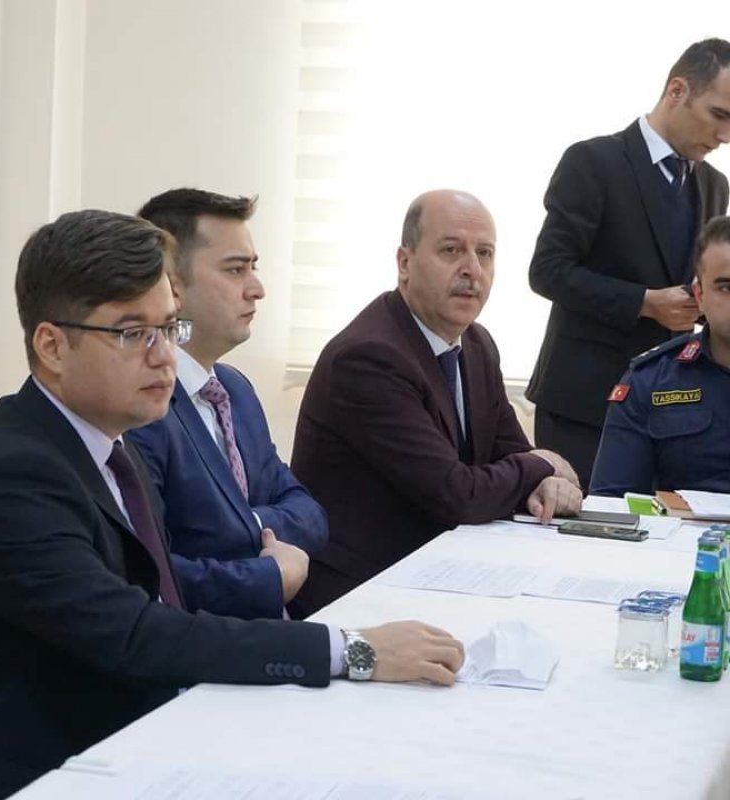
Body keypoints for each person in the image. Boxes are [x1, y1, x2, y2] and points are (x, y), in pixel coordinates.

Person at [0, 209, 464, 800]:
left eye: (168, 328)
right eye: (132, 334)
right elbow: (138, 634)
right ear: (52, 346)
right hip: (45, 774)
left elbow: (162, 607)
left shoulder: (109, 444)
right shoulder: (15, 478)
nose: (164, 357)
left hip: (135, 733)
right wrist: (351, 649)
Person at [290, 190, 582, 615]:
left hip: (442, 570)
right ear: (404, 263)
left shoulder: (476, 344)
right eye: (451, 250)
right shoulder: (369, 357)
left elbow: (512, 455)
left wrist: (542, 478)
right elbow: (458, 493)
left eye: (485, 254)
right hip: (361, 591)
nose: (472, 269)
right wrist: (543, 464)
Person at [526, 38, 730, 491]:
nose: (725, 135)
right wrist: (644, 302)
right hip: (584, 404)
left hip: (676, 410)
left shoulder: (716, 185)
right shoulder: (593, 162)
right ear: (677, 91)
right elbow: (547, 270)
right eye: (719, 115)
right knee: (588, 529)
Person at [126, 188, 327, 620]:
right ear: (172, 286)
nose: (257, 289)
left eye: (254, 267)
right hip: (201, 642)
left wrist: (246, 525)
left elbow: (309, 513)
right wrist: (268, 570)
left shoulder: (235, 390)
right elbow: (151, 573)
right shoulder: (140, 406)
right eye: (236, 270)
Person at [591, 217, 730, 495]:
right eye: (726, 288)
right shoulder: (649, 382)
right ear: (699, 296)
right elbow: (612, 503)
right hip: (682, 524)